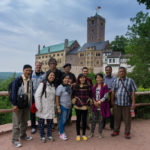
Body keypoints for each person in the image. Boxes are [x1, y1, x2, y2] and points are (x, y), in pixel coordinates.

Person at [111, 67, 137, 139]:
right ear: (118, 73)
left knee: (127, 119)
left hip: (127, 104)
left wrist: (133, 103)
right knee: (117, 118)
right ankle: (116, 131)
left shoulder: (130, 81)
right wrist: (112, 101)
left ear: (125, 72)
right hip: (117, 103)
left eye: (122, 71)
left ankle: (127, 132)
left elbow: (133, 92)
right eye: (120, 71)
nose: (121, 73)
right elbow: (113, 92)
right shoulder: (116, 81)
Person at [11, 65, 33, 148]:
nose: (28, 72)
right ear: (23, 70)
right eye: (27, 70)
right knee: (16, 123)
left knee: (24, 121)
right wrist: (14, 104)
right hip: (18, 105)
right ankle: (15, 140)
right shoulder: (18, 79)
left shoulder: (29, 80)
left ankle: (23, 135)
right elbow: (13, 92)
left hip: (26, 105)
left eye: (30, 71)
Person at [34, 71, 55, 143]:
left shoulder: (53, 85)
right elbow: (37, 95)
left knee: (50, 122)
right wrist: (39, 106)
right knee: (41, 123)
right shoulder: (43, 84)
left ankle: (49, 135)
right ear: (47, 76)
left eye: (53, 75)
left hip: (50, 108)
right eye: (50, 75)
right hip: (42, 107)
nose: (52, 76)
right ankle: (42, 136)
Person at [89, 73, 110, 139]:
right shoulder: (94, 86)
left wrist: (100, 101)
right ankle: (91, 133)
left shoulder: (105, 85)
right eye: (97, 78)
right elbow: (92, 95)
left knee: (101, 120)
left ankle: (100, 133)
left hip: (102, 105)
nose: (98, 79)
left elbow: (106, 95)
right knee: (93, 120)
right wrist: (94, 102)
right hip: (95, 105)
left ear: (102, 78)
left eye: (99, 77)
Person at [72, 74, 93, 141]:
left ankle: (83, 134)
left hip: (85, 105)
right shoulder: (75, 86)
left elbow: (90, 95)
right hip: (78, 105)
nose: (82, 79)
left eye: (83, 78)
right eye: (81, 78)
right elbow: (72, 94)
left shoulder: (88, 86)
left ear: (85, 78)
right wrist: (73, 99)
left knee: (84, 120)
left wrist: (90, 100)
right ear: (79, 79)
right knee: (78, 120)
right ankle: (78, 134)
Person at [56, 74, 72, 140]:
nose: (67, 79)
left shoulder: (68, 86)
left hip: (69, 106)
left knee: (65, 119)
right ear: (62, 79)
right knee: (62, 120)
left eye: (68, 78)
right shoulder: (60, 87)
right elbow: (57, 97)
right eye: (65, 78)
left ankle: (60, 130)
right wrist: (58, 107)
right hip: (63, 106)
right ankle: (61, 133)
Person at [31, 61, 45, 134]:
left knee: (41, 111)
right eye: (37, 65)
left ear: (41, 66)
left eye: (40, 65)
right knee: (32, 111)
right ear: (35, 65)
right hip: (32, 96)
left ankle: (41, 126)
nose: (38, 66)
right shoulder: (31, 74)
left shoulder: (44, 74)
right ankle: (33, 126)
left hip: (41, 96)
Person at [103, 66, 116, 130]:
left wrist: (108, 91)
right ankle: (103, 125)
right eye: (107, 70)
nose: (108, 71)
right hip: (104, 96)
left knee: (112, 111)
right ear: (105, 71)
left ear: (111, 70)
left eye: (109, 70)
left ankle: (112, 126)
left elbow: (114, 88)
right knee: (104, 110)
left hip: (111, 95)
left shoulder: (114, 78)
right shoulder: (103, 78)